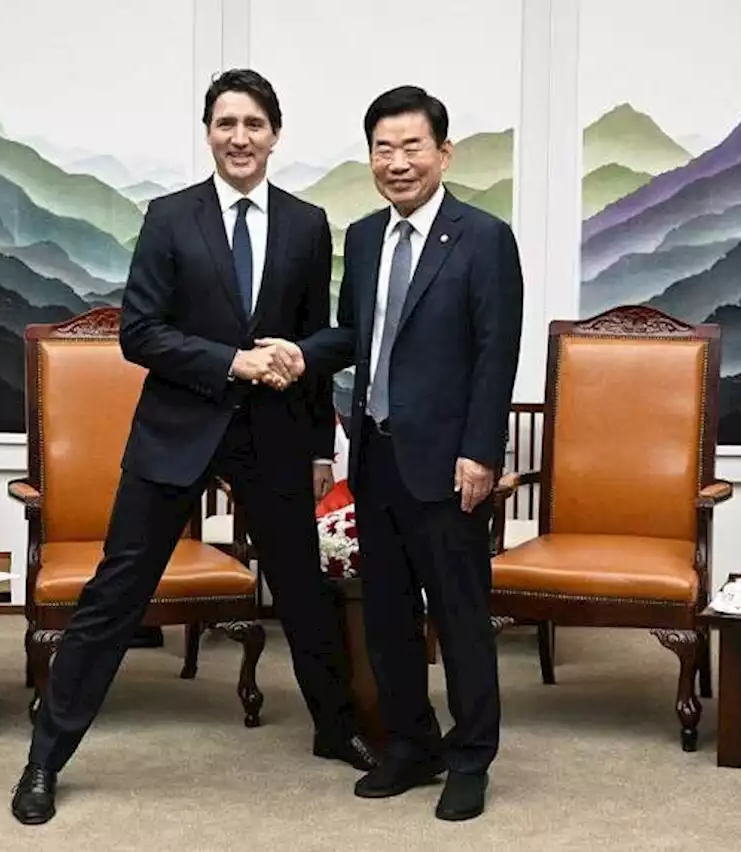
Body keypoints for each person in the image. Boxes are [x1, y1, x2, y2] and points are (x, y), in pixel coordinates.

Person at [10, 68, 378, 826]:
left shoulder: (308, 225)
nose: (238, 137)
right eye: (224, 124)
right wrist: (229, 362)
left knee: (303, 596)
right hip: (178, 431)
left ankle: (336, 731)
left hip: (273, 437)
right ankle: (44, 758)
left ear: (275, 133)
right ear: (208, 133)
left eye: (252, 124)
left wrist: (316, 448)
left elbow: (316, 339)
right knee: (115, 595)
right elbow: (139, 333)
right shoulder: (170, 217)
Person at [267, 85, 523, 821]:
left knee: (461, 618)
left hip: (448, 469)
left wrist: (481, 453)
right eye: (384, 148)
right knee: (386, 618)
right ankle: (413, 746)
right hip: (375, 461)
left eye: (413, 147)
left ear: (444, 153)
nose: (398, 162)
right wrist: (300, 353)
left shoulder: (483, 238)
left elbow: (492, 353)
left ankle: (471, 759)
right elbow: (354, 337)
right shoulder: (369, 236)